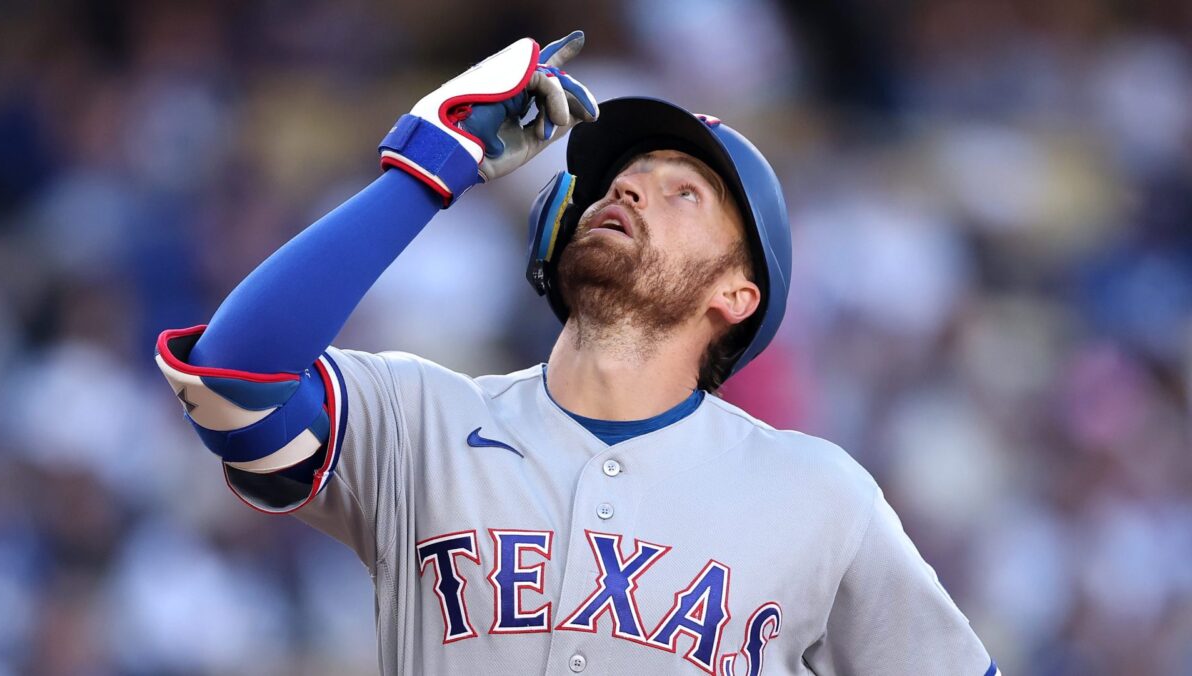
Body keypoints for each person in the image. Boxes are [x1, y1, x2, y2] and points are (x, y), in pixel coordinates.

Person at [155, 31, 997, 675]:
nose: (627, 187)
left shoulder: (818, 495)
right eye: (620, 179)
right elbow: (236, 382)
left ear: (736, 294)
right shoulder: (419, 419)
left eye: (683, 192)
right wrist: (427, 168)